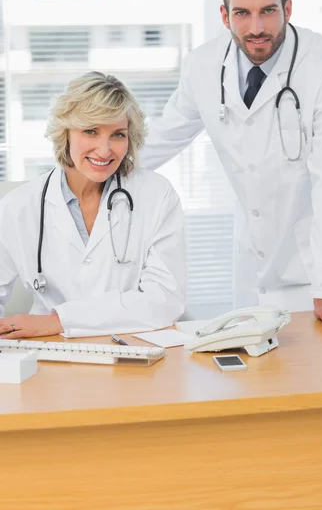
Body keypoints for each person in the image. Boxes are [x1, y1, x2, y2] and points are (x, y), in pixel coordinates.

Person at [140, 0, 322, 327]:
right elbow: (162, 136)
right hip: (252, 264)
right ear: (225, 15)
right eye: (243, 13)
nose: (257, 27)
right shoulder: (203, 66)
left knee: (317, 378)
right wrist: (92, 166)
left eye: (268, 10)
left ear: (288, 8)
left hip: (315, 272)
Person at [0, 72, 185, 339]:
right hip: (48, 353)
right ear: (66, 133)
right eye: (91, 131)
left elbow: (165, 300)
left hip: (133, 350)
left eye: (118, 135)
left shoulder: (156, 195)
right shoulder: (19, 206)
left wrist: (59, 321)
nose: (104, 149)